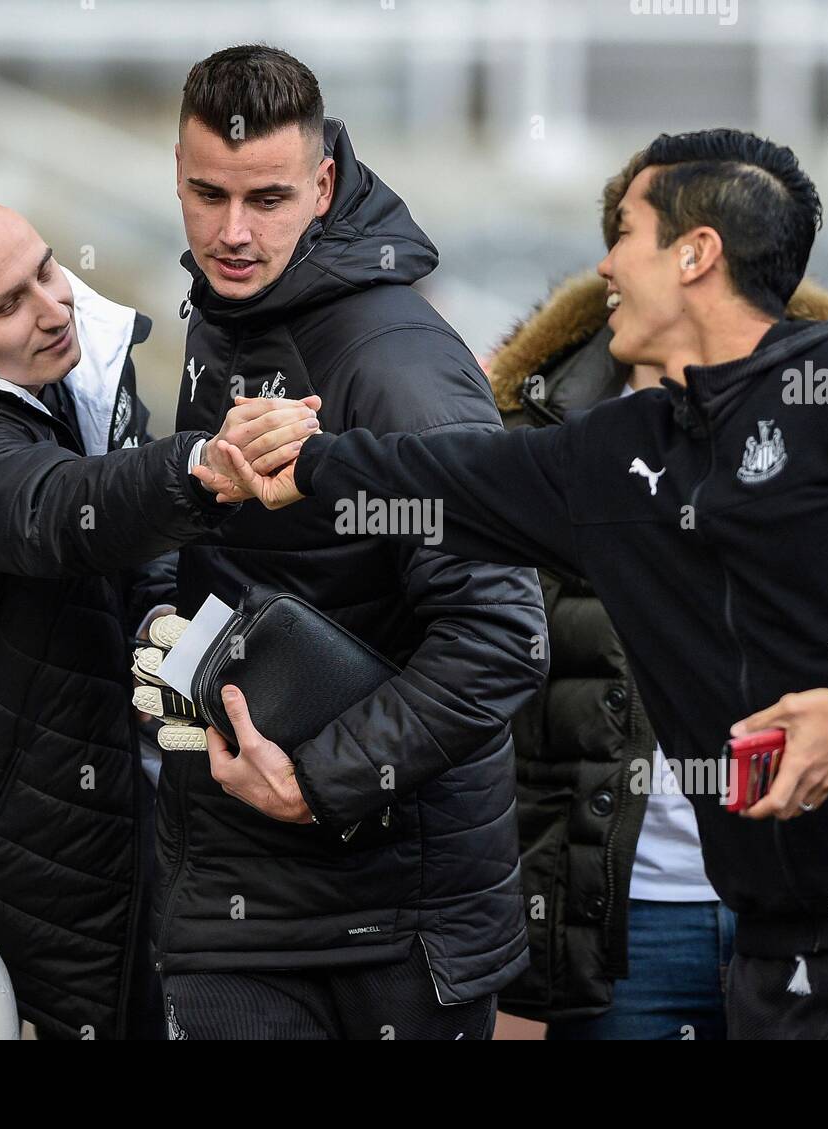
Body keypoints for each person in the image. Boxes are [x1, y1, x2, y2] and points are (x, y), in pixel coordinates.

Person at [201, 129, 828, 1040]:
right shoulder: (621, 448)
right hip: (777, 954)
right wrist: (307, 463)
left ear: (696, 253)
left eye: (628, 234)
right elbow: (444, 478)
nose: (603, 264)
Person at [0, 198, 315, 1039]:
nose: (54, 308)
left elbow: (118, 531)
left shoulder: (65, 356)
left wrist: (162, 613)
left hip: (87, 811)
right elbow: (49, 508)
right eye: (8, 304)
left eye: (46, 270)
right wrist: (200, 467)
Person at [149, 45, 547, 1041]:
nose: (233, 232)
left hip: (384, 931)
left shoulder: (397, 364)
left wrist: (325, 778)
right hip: (236, 900)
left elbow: (504, 632)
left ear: (323, 184)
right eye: (208, 194)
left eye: (269, 198)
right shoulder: (228, 320)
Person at [488, 267, 828, 1039]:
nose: (612, 263)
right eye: (619, 231)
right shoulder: (535, 433)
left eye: (635, 234)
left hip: (807, 905)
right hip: (621, 916)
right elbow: (476, 667)